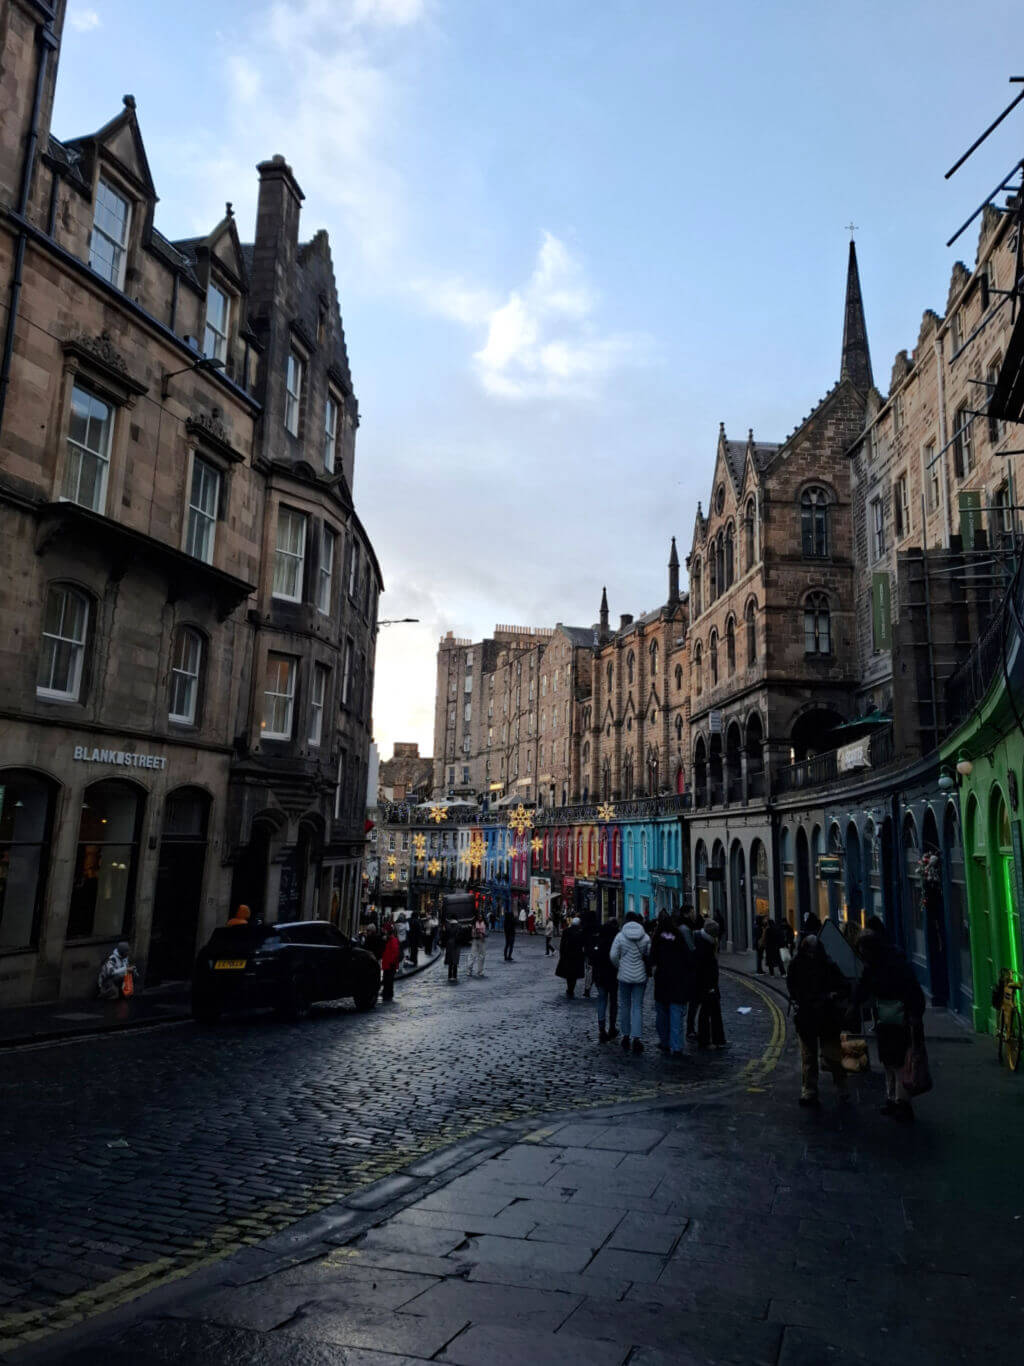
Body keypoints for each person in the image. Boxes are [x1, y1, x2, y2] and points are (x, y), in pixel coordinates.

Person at [855, 929, 926, 1122]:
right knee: (888, 1060)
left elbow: (913, 991)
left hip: (901, 1017)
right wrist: (852, 1003)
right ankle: (892, 1098)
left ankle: (903, 1103)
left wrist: (914, 1015)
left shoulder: (895, 964)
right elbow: (863, 987)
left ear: (872, 949)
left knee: (901, 1061)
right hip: (885, 1019)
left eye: (863, 951)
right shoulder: (873, 966)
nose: (862, 955)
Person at [786, 934, 849, 1107]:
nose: (812, 954)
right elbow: (792, 988)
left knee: (831, 1055)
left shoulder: (825, 964)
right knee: (809, 1057)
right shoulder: (798, 965)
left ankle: (841, 1086)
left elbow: (844, 985)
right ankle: (809, 1091)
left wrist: (832, 996)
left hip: (825, 1017)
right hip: (809, 1017)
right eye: (809, 950)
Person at [651, 911, 695, 1058]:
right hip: (678, 981)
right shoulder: (679, 938)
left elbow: (652, 958)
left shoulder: (658, 938)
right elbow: (689, 959)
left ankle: (664, 1042)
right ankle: (676, 1046)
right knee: (676, 1015)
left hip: (662, 981)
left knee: (662, 1014)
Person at [610, 912, 651, 1055]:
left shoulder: (620, 936)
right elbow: (649, 955)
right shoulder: (645, 937)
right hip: (640, 976)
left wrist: (620, 966)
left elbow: (613, 955)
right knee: (638, 1006)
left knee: (625, 1005)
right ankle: (637, 1038)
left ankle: (625, 1035)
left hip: (624, 976)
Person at [694, 920, 726, 1048]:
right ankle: (710, 1039)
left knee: (708, 1011)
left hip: (707, 984)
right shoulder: (706, 946)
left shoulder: (702, 941)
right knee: (708, 1012)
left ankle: (711, 1039)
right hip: (708, 985)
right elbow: (706, 968)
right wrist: (711, 987)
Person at [593, 916, 620, 1043]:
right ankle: (612, 1027)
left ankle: (602, 1029)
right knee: (613, 1001)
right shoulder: (617, 939)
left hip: (600, 974)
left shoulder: (600, 938)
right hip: (613, 975)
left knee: (602, 1000)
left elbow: (594, 957)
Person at [556, 915, 586, 998]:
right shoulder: (580, 933)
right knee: (574, 975)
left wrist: (561, 954)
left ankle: (570, 989)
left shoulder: (566, 931)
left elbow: (562, 944)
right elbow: (583, 945)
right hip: (577, 956)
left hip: (567, 955)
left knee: (569, 974)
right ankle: (571, 989)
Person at [380, 922, 400, 1002]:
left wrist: (392, 962)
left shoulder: (392, 940)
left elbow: (394, 952)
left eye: (384, 930)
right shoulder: (388, 939)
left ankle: (388, 993)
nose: (383, 931)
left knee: (389, 980)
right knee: (386, 979)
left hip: (390, 964)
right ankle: (386, 992)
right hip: (387, 963)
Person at [468, 911, 488, 978]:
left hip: (482, 941)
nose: (480, 917)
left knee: (482, 956)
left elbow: (487, 932)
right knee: (472, 955)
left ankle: (480, 971)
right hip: (475, 940)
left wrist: (483, 934)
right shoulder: (474, 923)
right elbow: (471, 932)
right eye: (479, 916)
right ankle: (469, 970)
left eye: (481, 916)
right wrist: (476, 932)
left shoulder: (484, 922)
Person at [443, 914, 462, 982]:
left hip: (449, 943)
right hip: (456, 944)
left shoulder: (447, 926)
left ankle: (449, 975)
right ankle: (455, 976)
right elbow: (460, 936)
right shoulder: (459, 926)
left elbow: (444, 935)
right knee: (455, 960)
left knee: (450, 960)